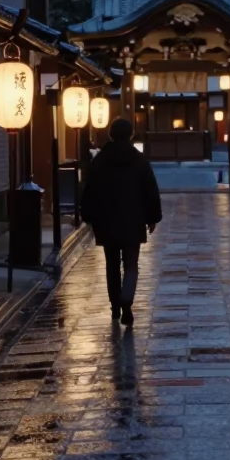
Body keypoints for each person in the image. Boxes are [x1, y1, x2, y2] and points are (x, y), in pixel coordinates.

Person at [80, 118, 162, 326]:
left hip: (106, 220)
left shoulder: (99, 161)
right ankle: (127, 299)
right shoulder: (139, 160)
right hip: (133, 220)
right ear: (131, 135)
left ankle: (115, 306)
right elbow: (150, 191)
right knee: (131, 264)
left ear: (110, 134)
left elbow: (88, 191)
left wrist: (88, 216)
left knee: (112, 265)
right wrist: (152, 217)